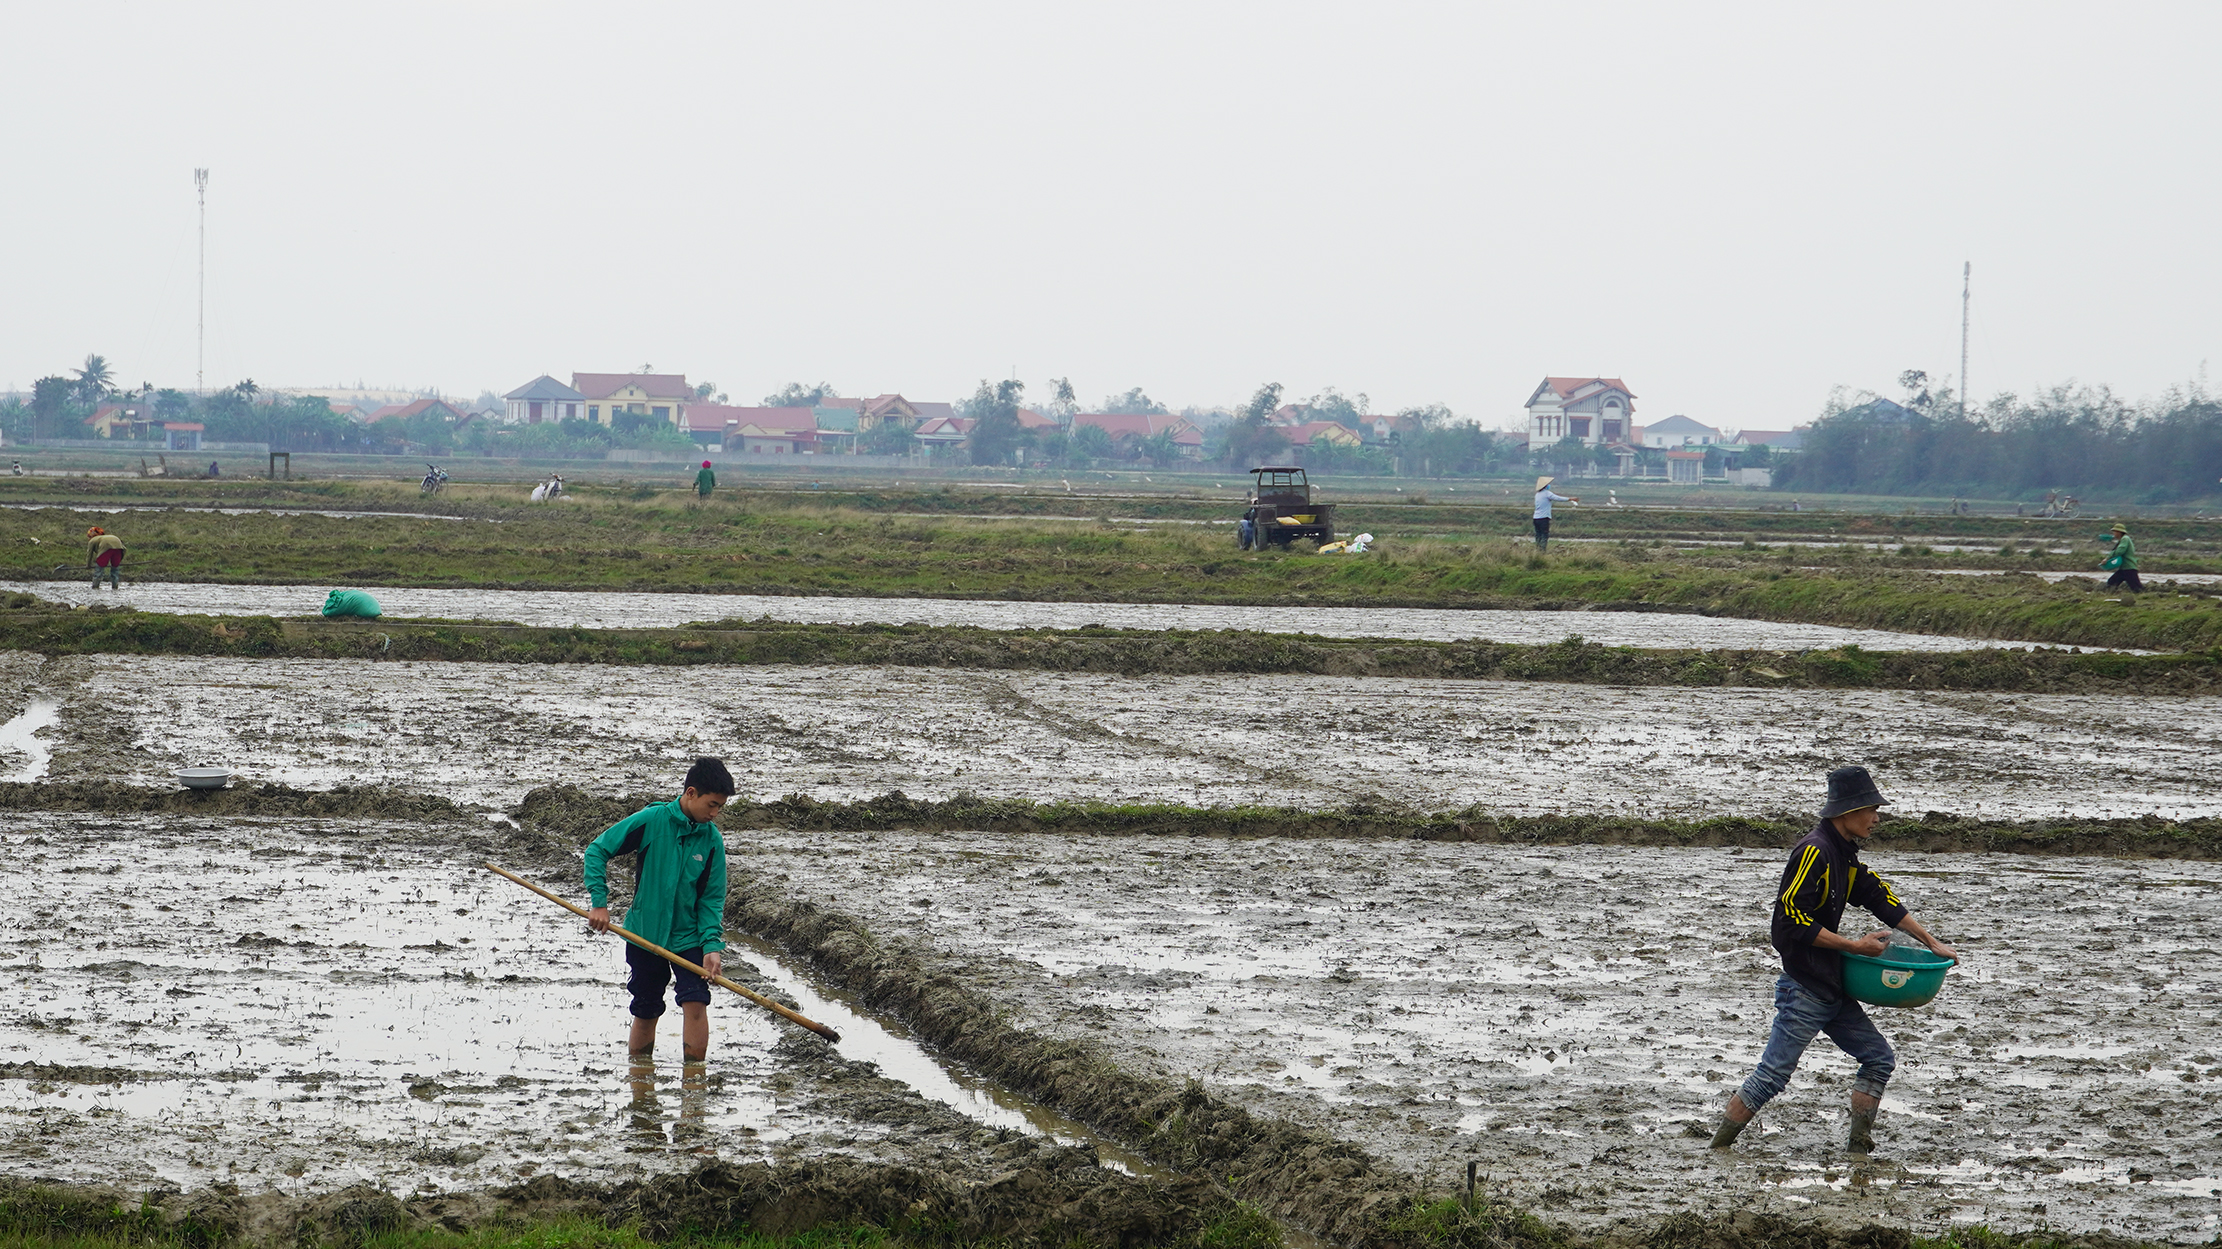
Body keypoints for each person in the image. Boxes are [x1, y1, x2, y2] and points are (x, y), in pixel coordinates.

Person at [1710, 766, 1958, 1154]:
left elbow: (1878, 896)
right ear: (1847, 811)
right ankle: (1717, 1148)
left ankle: (1858, 1147)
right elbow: (1790, 919)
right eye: (1872, 809)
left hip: (1831, 986)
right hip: (1805, 988)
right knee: (1772, 1076)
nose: (1877, 818)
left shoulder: (1844, 855)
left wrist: (1932, 942)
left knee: (1879, 1060)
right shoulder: (1815, 850)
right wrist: (1853, 946)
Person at [584, 757, 734, 1061]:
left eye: (720, 807)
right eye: (712, 804)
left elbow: (711, 899)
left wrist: (711, 946)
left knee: (696, 1002)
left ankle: (694, 1088)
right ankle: (640, 1084)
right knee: (647, 1007)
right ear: (691, 793)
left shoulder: (711, 841)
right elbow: (597, 850)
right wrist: (599, 903)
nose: (715, 813)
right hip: (644, 934)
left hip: (688, 938)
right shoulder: (651, 822)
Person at [1532, 476, 1577, 551]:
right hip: (1543, 518)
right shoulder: (1547, 493)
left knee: (1538, 535)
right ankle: (1542, 551)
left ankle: (1537, 550)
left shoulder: (1537, 494)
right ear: (1545, 486)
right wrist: (1570, 499)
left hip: (1536, 518)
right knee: (1544, 535)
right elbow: (1557, 498)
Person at [2101, 524, 2142, 593]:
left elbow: (2120, 551)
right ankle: (2109, 595)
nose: (2113, 533)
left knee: (2136, 588)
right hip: (2124, 568)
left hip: (2129, 568)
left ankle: (2145, 597)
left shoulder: (2125, 539)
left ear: (2119, 532)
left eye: (2114, 531)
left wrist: (2108, 558)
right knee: (2112, 582)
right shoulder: (2122, 540)